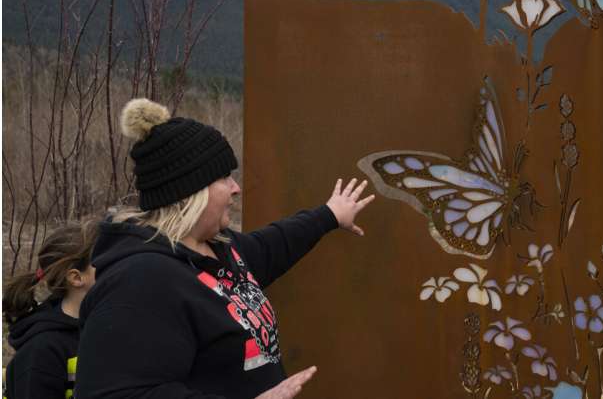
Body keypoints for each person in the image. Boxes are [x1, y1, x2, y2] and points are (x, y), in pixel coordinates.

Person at [75, 98, 374, 399]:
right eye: (224, 177)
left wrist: (330, 215)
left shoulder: (217, 248)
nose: (236, 188)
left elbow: (272, 245)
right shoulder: (140, 281)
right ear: (191, 192)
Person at [3, 222, 99, 399]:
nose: (115, 266)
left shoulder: (103, 324)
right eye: (103, 260)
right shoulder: (41, 351)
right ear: (76, 278)